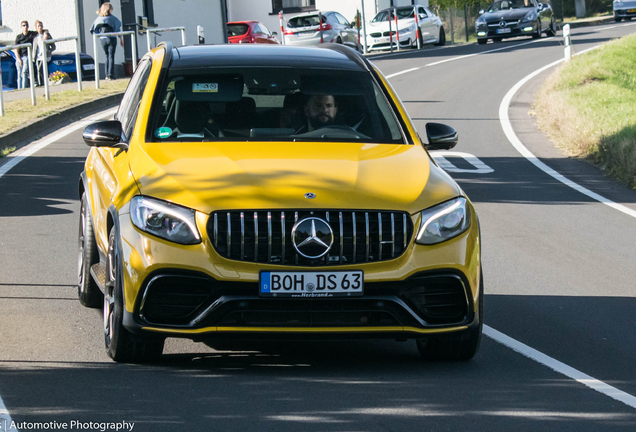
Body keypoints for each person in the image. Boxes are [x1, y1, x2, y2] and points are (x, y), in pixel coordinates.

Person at [89, 2, 124, 80]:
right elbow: (117, 28)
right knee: (111, 56)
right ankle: (111, 74)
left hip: (102, 39)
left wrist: (98, 34)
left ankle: (106, 74)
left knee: (106, 56)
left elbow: (92, 30)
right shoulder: (113, 18)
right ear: (109, 9)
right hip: (111, 38)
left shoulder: (98, 19)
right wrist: (120, 38)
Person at [13, 20, 36, 89]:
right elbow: (15, 49)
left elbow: (40, 31)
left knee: (24, 72)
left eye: (26, 25)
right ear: (21, 27)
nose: (25, 27)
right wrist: (19, 60)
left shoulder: (31, 34)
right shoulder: (19, 37)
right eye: (23, 25)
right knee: (19, 73)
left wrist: (46, 32)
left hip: (27, 56)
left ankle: (24, 88)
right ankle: (19, 89)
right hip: (19, 57)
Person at [32, 21, 55, 87]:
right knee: (39, 70)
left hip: (45, 56)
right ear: (36, 27)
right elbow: (34, 48)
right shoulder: (35, 37)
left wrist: (49, 51)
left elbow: (53, 46)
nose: (40, 27)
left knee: (41, 68)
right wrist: (33, 57)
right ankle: (41, 83)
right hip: (38, 57)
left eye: (41, 26)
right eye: (38, 26)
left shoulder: (46, 35)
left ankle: (43, 83)